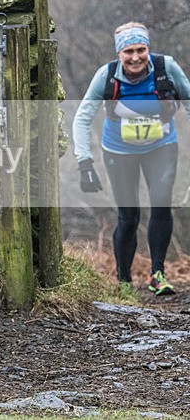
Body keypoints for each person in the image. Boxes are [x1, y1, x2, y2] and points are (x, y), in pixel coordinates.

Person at [73, 21, 190, 296]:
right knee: (129, 217)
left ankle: (157, 275)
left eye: (141, 49)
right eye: (129, 51)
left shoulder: (166, 68)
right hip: (119, 152)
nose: (136, 57)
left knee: (161, 205)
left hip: (161, 147)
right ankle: (124, 282)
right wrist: (84, 163)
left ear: (148, 48)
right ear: (119, 54)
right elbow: (82, 117)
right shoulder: (107, 76)